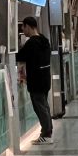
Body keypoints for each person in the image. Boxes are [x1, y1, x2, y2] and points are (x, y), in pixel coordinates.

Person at [17, 16, 54, 145]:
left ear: (28, 26)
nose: (23, 30)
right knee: (44, 106)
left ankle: (47, 134)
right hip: (45, 78)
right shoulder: (44, 40)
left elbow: (19, 56)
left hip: (36, 80)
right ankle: (48, 131)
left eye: (23, 27)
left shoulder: (32, 43)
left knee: (40, 107)